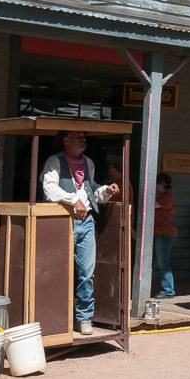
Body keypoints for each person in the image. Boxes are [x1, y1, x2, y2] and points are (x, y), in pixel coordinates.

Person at [41, 131, 119, 336]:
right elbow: (49, 189)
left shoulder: (87, 163)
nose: (83, 139)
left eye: (84, 136)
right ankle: (58, 318)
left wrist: (106, 191)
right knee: (58, 272)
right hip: (62, 223)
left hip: (86, 223)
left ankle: (84, 318)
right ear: (65, 140)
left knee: (86, 273)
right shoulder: (54, 161)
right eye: (77, 136)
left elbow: (90, 191)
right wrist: (72, 200)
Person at [153, 173, 177, 299]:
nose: (155, 186)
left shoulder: (166, 197)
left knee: (163, 263)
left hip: (165, 234)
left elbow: (150, 205)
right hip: (161, 233)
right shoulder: (164, 196)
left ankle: (168, 290)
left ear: (161, 184)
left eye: (156, 184)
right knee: (160, 262)